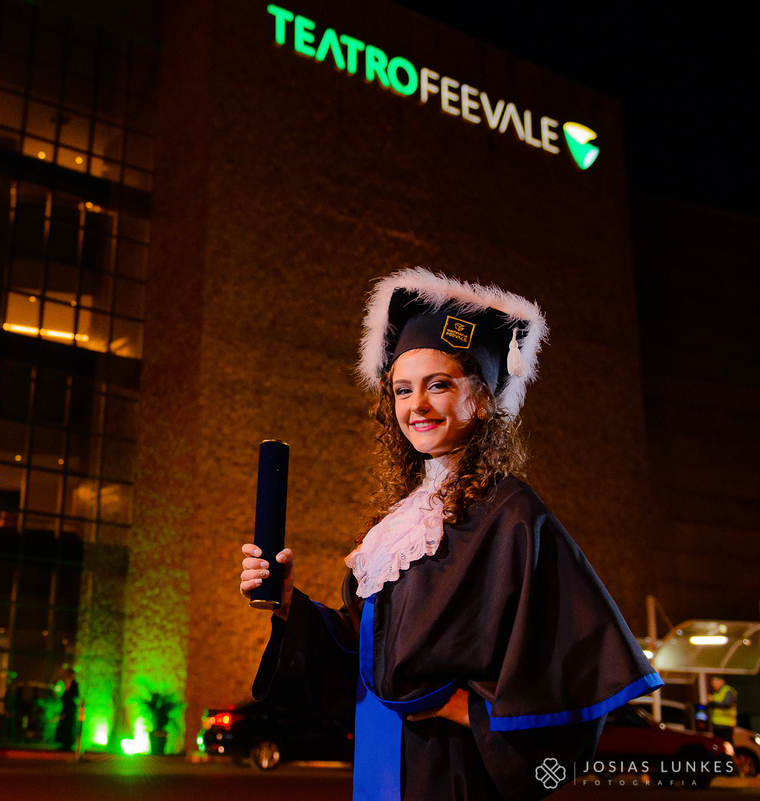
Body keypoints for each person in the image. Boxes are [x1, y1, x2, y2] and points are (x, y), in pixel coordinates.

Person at [238, 269, 662, 800]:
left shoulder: (512, 513)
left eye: (439, 385)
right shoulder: (396, 524)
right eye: (401, 390)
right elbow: (366, 660)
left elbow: (566, 669)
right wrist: (286, 603)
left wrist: (467, 709)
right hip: (379, 755)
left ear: (483, 400)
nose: (416, 406)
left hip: (452, 767)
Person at [54, 667, 79, 751]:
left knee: (68, 725)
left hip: (70, 708)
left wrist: (67, 697)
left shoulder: (74, 683)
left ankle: (68, 744)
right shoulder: (66, 683)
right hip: (66, 706)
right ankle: (64, 744)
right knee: (64, 725)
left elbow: (75, 695)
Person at [707, 675, 738, 742]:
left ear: (721, 681)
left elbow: (727, 704)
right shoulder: (717, 693)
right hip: (716, 724)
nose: (713, 685)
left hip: (726, 724)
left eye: (714, 682)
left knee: (726, 743)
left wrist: (713, 701)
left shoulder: (728, 691)